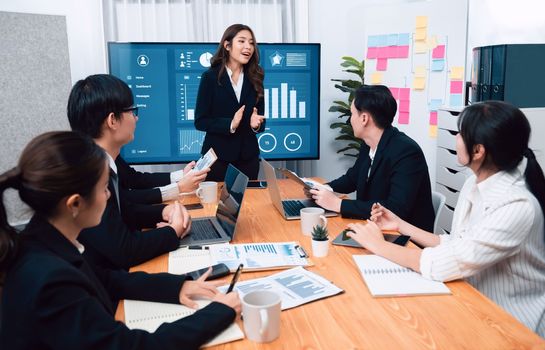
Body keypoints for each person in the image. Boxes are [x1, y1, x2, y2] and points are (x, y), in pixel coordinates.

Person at [0, 131, 241, 349]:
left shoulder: (42, 239)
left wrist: (178, 286)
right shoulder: (50, 280)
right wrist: (219, 313)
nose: (109, 196)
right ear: (74, 203)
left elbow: (105, 279)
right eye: (104, 188)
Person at [347, 101, 545, 336]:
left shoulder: (516, 206)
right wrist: (399, 225)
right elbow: (459, 243)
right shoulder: (475, 182)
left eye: (460, 133)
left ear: (478, 151)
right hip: (471, 300)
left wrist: (378, 246)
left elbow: (446, 262)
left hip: (511, 323)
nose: (456, 138)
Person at [67, 74, 198, 270]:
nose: (136, 118)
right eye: (132, 111)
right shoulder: (87, 176)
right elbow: (124, 250)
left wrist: (163, 211)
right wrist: (173, 231)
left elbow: (123, 209)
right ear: (113, 120)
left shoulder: (96, 159)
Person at [308, 85, 435, 231]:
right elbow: (352, 178)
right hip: (374, 228)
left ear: (364, 118)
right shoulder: (369, 144)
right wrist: (323, 189)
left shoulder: (406, 152)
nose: (350, 120)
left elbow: (395, 209)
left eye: (352, 114)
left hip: (406, 239)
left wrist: (338, 205)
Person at [195, 24, 266, 181]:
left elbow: (260, 120)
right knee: (215, 204)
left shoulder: (256, 76)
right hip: (218, 160)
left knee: (250, 204)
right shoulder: (210, 77)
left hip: (248, 160)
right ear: (227, 45)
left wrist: (257, 125)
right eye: (242, 41)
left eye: (251, 43)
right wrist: (230, 124)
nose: (248, 46)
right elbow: (200, 121)